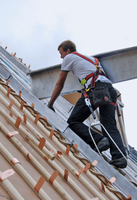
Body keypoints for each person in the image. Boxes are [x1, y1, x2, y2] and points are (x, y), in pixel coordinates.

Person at [48, 40, 127, 168]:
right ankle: (120, 158)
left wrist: (51, 103)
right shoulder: (92, 60)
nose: (61, 57)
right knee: (109, 125)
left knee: (74, 121)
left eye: (61, 53)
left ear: (68, 51)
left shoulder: (69, 57)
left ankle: (99, 140)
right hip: (109, 91)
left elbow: (60, 84)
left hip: (95, 90)